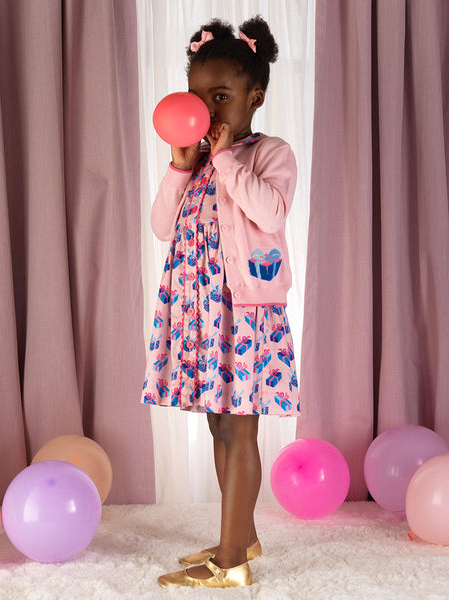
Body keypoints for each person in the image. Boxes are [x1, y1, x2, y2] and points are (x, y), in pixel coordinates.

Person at [142, 15, 299, 589]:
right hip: (200, 310)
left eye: (221, 96)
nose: (207, 110)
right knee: (218, 425)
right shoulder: (195, 163)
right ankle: (241, 535)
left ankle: (232, 563)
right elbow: (162, 226)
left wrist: (227, 158)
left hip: (245, 313)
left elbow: (271, 211)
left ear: (255, 97)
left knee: (240, 429)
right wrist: (180, 166)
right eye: (197, 96)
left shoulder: (268, 154)